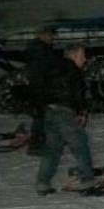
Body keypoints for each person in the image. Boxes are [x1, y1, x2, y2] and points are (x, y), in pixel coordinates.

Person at [34, 44, 101, 196]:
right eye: (82, 56)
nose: (84, 59)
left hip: (49, 111)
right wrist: (81, 112)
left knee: (52, 149)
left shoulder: (51, 69)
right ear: (74, 55)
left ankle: (42, 183)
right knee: (80, 145)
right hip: (65, 112)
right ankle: (87, 180)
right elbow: (76, 92)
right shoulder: (72, 70)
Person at [24, 25, 63, 156]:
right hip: (42, 88)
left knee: (42, 116)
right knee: (41, 117)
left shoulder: (39, 48)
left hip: (40, 87)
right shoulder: (40, 50)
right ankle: (36, 145)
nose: (53, 37)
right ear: (43, 34)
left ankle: (39, 143)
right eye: (51, 34)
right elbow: (45, 69)